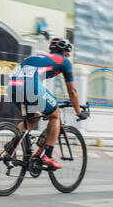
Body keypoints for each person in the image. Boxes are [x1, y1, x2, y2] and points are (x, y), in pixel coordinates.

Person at [6, 37, 88, 169]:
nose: (68, 56)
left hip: (13, 86)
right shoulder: (64, 61)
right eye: (68, 53)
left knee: (32, 119)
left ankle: (11, 146)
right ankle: (47, 156)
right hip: (30, 85)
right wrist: (79, 112)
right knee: (55, 114)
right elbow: (72, 91)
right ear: (65, 52)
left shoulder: (41, 56)